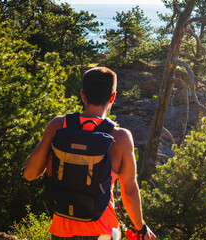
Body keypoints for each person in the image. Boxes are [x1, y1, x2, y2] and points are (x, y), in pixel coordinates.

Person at [24, 67, 156, 240]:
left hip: (61, 228)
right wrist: (140, 229)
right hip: (102, 231)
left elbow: (29, 174)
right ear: (112, 97)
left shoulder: (57, 125)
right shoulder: (120, 137)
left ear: (83, 95)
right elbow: (129, 192)